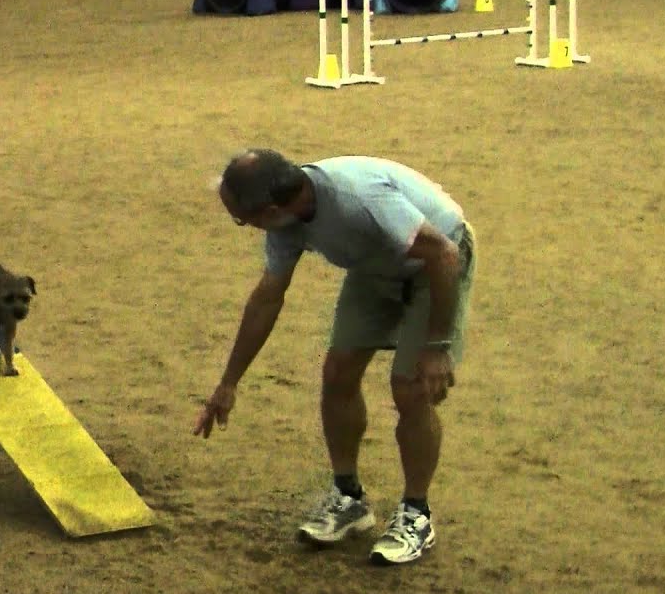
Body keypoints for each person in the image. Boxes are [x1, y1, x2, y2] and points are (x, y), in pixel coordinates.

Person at [193, 148, 476, 565]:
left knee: (410, 387)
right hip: (376, 266)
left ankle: (417, 514)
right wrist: (228, 383)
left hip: (436, 266)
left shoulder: (356, 195)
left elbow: (443, 254)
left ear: (270, 209)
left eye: (243, 219)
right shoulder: (287, 221)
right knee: (338, 373)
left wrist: (436, 348)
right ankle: (349, 498)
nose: (246, 227)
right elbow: (268, 297)